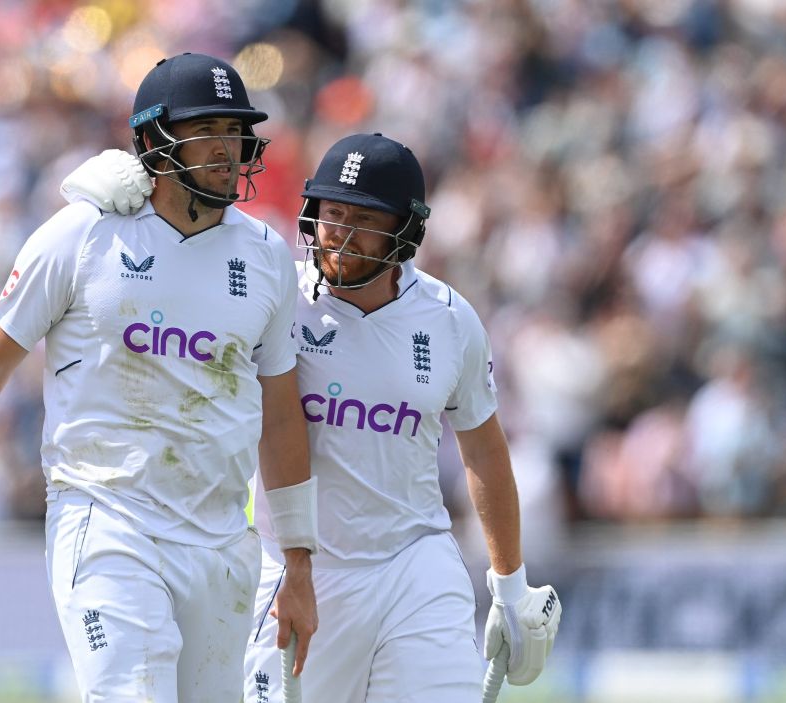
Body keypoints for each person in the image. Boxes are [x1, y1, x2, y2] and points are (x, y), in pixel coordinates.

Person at [0, 52, 319, 703]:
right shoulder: (80, 234)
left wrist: (297, 559)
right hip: (107, 522)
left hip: (221, 540)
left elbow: (279, 413)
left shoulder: (268, 255)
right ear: (155, 139)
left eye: (235, 129)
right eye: (207, 128)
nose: (227, 147)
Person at [62, 132, 562, 702]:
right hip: (294, 569)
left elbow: (484, 449)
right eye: (332, 213)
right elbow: (181, 267)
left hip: (414, 565)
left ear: (408, 229)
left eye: (364, 220)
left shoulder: (450, 320)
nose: (340, 235)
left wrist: (510, 586)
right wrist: (119, 203)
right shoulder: (276, 296)